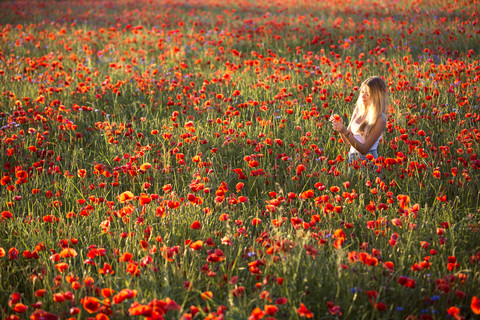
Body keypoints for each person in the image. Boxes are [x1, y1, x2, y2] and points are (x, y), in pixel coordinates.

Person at [330, 76, 388, 164]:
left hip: (368, 162)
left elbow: (364, 150)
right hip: (352, 159)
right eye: (362, 92)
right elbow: (349, 145)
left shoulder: (380, 119)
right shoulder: (358, 110)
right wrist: (340, 128)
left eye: (367, 94)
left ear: (376, 97)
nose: (363, 96)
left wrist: (344, 131)